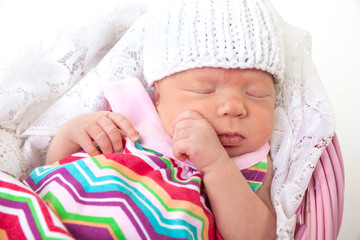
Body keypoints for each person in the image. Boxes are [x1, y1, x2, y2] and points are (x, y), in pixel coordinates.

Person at [44, 0, 284, 239]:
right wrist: (71, 133)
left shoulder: (252, 163)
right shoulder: (130, 117)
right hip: (43, 219)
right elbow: (54, 168)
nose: (234, 107)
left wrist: (217, 165)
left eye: (256, 94)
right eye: (205, 90)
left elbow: (258, 235)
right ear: (158, 96)